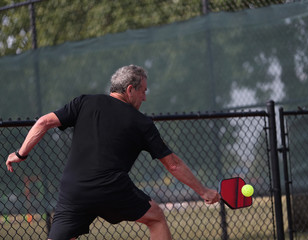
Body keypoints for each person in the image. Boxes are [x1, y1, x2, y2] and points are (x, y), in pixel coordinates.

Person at [6, 65, 220, 240]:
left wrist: (21, 153)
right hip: (112, 189)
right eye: (143, 91)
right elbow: (172, 164)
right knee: (156, 218)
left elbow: (43, 122)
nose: (145, 97)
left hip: (74, 191)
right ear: (130, 90)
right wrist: (203, 191)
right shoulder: (142, 122)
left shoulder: (84, 102)